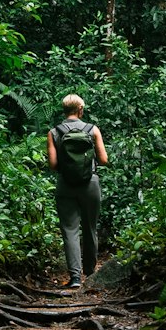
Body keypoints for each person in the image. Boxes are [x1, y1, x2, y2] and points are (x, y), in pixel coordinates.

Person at [47, 94, 108, 290]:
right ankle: (90, 273)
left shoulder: (54, 132)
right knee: (90, 228)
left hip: (66, 184)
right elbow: (104, 159)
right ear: (80, 110)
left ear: (64, 110)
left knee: (70, 230)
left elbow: (53, 164)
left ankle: (75, 278)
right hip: (90, 183)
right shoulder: (92, 129)